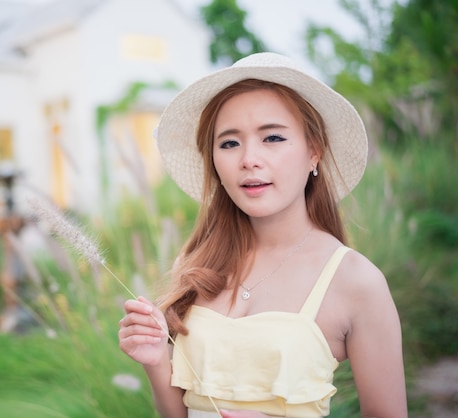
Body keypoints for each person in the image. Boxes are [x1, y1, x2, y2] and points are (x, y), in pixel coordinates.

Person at [117, 52, 407, 418]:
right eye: (229, 143)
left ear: (313, 151)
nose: (249, 159)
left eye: (272, 137)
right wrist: (156, 361)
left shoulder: (356, 281)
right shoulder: (197, 264)